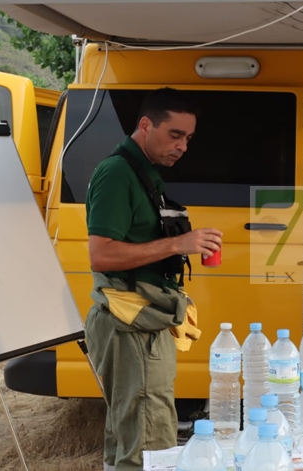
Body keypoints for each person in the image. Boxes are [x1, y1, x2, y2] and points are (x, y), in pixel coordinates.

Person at [84, 87, 223, 471]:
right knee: (149, 445)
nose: (182, 147)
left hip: (139, 318)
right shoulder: (117, 173)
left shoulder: (143, 172)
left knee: (129, 436)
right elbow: (102, 254)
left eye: (188, 139)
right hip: (131, 322)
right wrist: (177, 243)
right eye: (174, 135)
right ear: (145, 125)